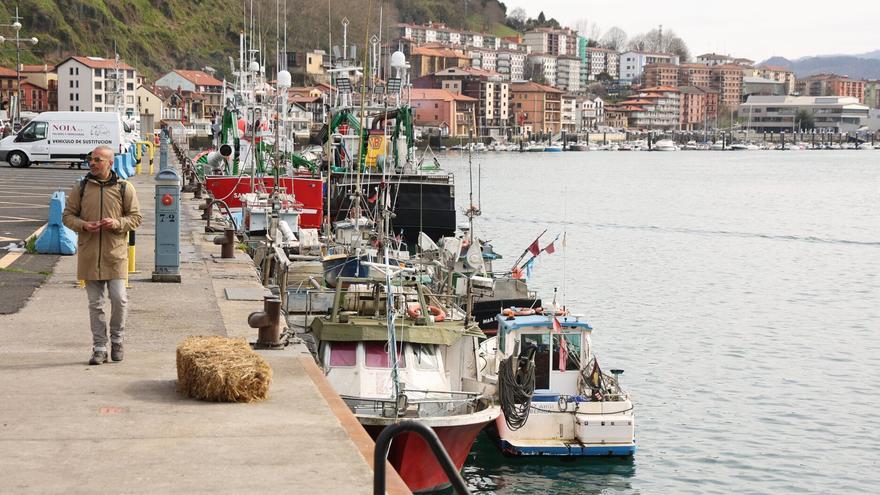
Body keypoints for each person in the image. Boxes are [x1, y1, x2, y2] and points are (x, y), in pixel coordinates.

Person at [63, 145, 142, 365]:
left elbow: (135, 218)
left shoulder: (124, 188)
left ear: (110, 163)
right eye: (91, 159)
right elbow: (68, 216)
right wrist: (84, 225)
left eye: (98, 160)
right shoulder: (81, 187)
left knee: (119, 299)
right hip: (89, 254)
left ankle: (117, 340)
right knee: (95, 304)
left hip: (114, 254)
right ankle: (99, 347)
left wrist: (117, 223)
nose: (93, 163)